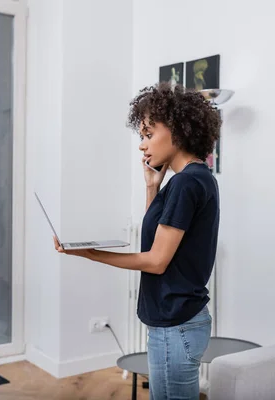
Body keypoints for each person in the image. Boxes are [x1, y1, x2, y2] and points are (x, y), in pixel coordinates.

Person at [53, 81, 221, 399]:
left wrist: (88, 253)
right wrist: (151, 187)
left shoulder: (187, 184)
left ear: (178, 130)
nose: (142, 145)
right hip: (177, 321)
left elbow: (156, 261)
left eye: (148, 134)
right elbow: (154, 241)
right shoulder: (192, 179)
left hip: (177, 323)